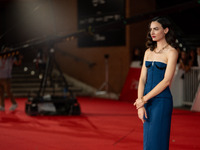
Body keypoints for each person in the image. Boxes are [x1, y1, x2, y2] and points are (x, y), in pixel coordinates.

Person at [133, 16, 178, 150]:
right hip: (146, 102)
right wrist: (140, 104)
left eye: (156, 29)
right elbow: (141, 79)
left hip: (161, 101)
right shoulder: (148, 52)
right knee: (148, 142)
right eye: (151, 29)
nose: (152, 32)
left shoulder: (172, 52)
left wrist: (143, 99)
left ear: (165, 30)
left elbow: (166, 81)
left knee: (158, 140)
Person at [0, 47, 23, 111]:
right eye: (5, 50)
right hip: (0, 77)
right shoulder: (0, 57)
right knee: (1, 92)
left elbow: (17, 63)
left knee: (8, 91)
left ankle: (14, 103)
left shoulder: (11, 58)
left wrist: (20, 59)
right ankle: (2, 105)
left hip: (7, 78)